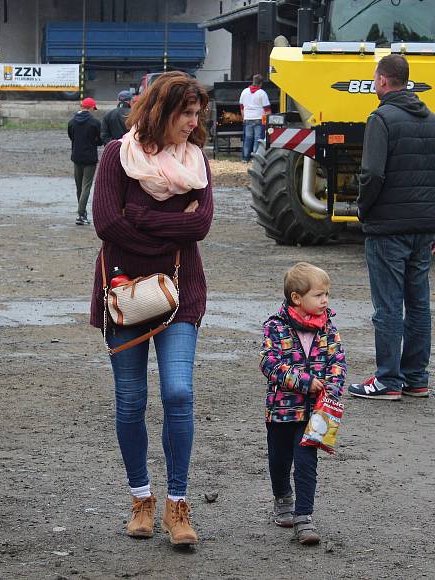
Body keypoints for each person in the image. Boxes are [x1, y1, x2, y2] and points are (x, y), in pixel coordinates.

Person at [90, 71, 213, 546]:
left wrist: (137, 216)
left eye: (197, 113)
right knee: (131, 400)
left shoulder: (196, 162)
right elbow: (106, 223)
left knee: (179, 393)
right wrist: (165, 223)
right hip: (124, 297)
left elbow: (200, 224)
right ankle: (141, 497)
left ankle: (177, 506)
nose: (193, 122)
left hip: (181, 294)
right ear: (162, 112)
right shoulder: (116, 157)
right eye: (186, 113)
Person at [349, 54, 435, 401]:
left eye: (375, 78)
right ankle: (416, 377)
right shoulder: (433, 121)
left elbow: (372, 173)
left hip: (388, 228)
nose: (374, 84)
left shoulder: (381, 118)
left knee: (388, 305)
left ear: (384, 81)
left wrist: (363, 208)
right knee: (418, 304)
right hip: (424, 227)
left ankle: (388, 380)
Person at [260, 262, 346, 545]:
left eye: (327, 295)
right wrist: (302, 381)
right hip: (281, 411)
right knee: (279, 459)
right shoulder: (274, 327)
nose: (325, 301)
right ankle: (283, 495)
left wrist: (331, 389)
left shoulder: (328, 329)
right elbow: (269, 363)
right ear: (297, 298)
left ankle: (304, 517)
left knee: (307, 462)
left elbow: (338, 363)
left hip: (316, 413)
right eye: (319, 295)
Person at [68, 97, 102, 225]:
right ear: (91, 108)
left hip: (76, 156)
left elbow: (71, 137)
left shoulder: (72, 122)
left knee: (79, 186)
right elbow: (99, 139)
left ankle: (82, 214)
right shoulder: (95, 123)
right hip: (90, 158)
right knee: (86, 186)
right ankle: (81, 214)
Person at [239, 73, 271, 163]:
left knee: (248, 139)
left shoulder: (244, 92)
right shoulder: (262, 93)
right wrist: (269, 121)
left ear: (253, 81)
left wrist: (244, 118)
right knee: (258, 139)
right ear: (261, 83)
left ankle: (245, 158)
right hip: (259, 119)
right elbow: (267, 109)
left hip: (248, 118)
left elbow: (241, 107)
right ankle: (255, 159)